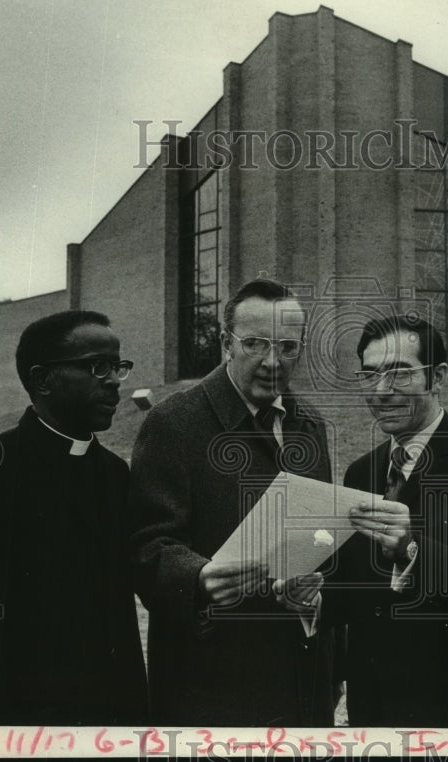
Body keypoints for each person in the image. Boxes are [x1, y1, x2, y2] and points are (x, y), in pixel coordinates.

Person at [0, 310, 147, 726]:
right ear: (43, 379)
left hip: (111, 725)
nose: (115, 380)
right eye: (96, 366)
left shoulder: (116, 475)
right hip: (23, 731)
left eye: (117, 366)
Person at [128, 279, 335, 726]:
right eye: (255, 344)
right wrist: (198, 577)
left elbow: (323, 541)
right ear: (226, 343)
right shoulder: (173, 423)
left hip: (300, 685)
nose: (272, 361)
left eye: (287, 346)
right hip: (210, 687)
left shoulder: (311, 425)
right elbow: (146, 545)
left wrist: (314, 594)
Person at [326, 314, 448, 726]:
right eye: (370, 375)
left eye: (400, 374)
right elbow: (361, 593)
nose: (382, 391)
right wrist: (316, 598)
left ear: (437, 376)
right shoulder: (361, 473)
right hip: (372, 710)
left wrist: (412, 548)